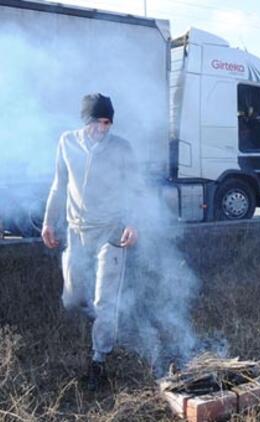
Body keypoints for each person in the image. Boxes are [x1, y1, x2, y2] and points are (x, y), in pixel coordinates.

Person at [41, 93, 140, 389]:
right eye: (98, 122)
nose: (103, 128)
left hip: (110, 233)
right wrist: (48, 221)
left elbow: (136, 189)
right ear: (86, 121)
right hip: (76, 232)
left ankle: (99, 360)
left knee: (105, 301)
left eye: (108, 123)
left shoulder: (122, 148)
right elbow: (59, 185)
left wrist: (133, 223)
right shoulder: (67, 143)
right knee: (72, 299)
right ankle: (99, 318)